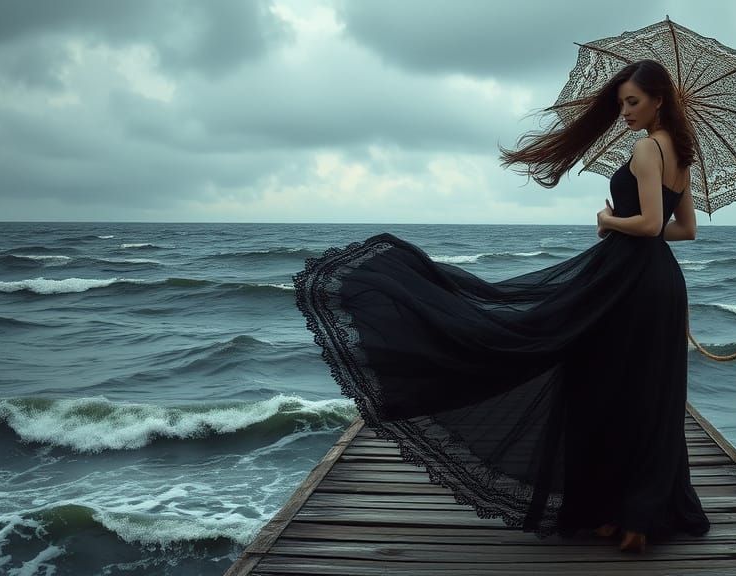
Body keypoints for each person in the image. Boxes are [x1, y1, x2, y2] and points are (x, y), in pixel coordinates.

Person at [294, 59, 709, 555]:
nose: (624, 112)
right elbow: (684, 230)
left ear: (659, 100)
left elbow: (649, 225)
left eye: (633, 102)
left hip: (628, 282)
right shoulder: (682, 153)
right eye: (621, 103)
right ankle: (635, 517)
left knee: (604, 388)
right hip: (661, 283)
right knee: (646, 393)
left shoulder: (645, 149)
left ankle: (621, 514)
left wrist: (608, 220)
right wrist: (631, 224)